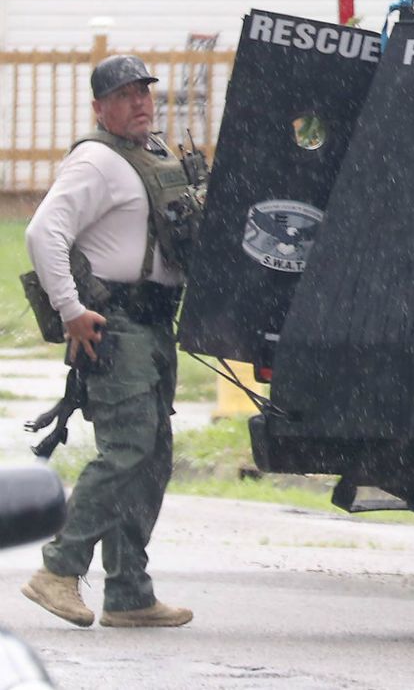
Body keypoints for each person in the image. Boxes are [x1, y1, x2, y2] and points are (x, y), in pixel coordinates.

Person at [21, 55, 194, 629]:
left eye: (143, 92)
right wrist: (72, 310)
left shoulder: (150, 155)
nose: (139, 102)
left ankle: (127, 591)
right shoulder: (95, 160)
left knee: (151, 457)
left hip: (152, 325)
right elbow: (43, 231)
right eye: (123, 95)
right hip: (114, 326)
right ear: (100, 108)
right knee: (126, 451)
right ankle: (58, 570)